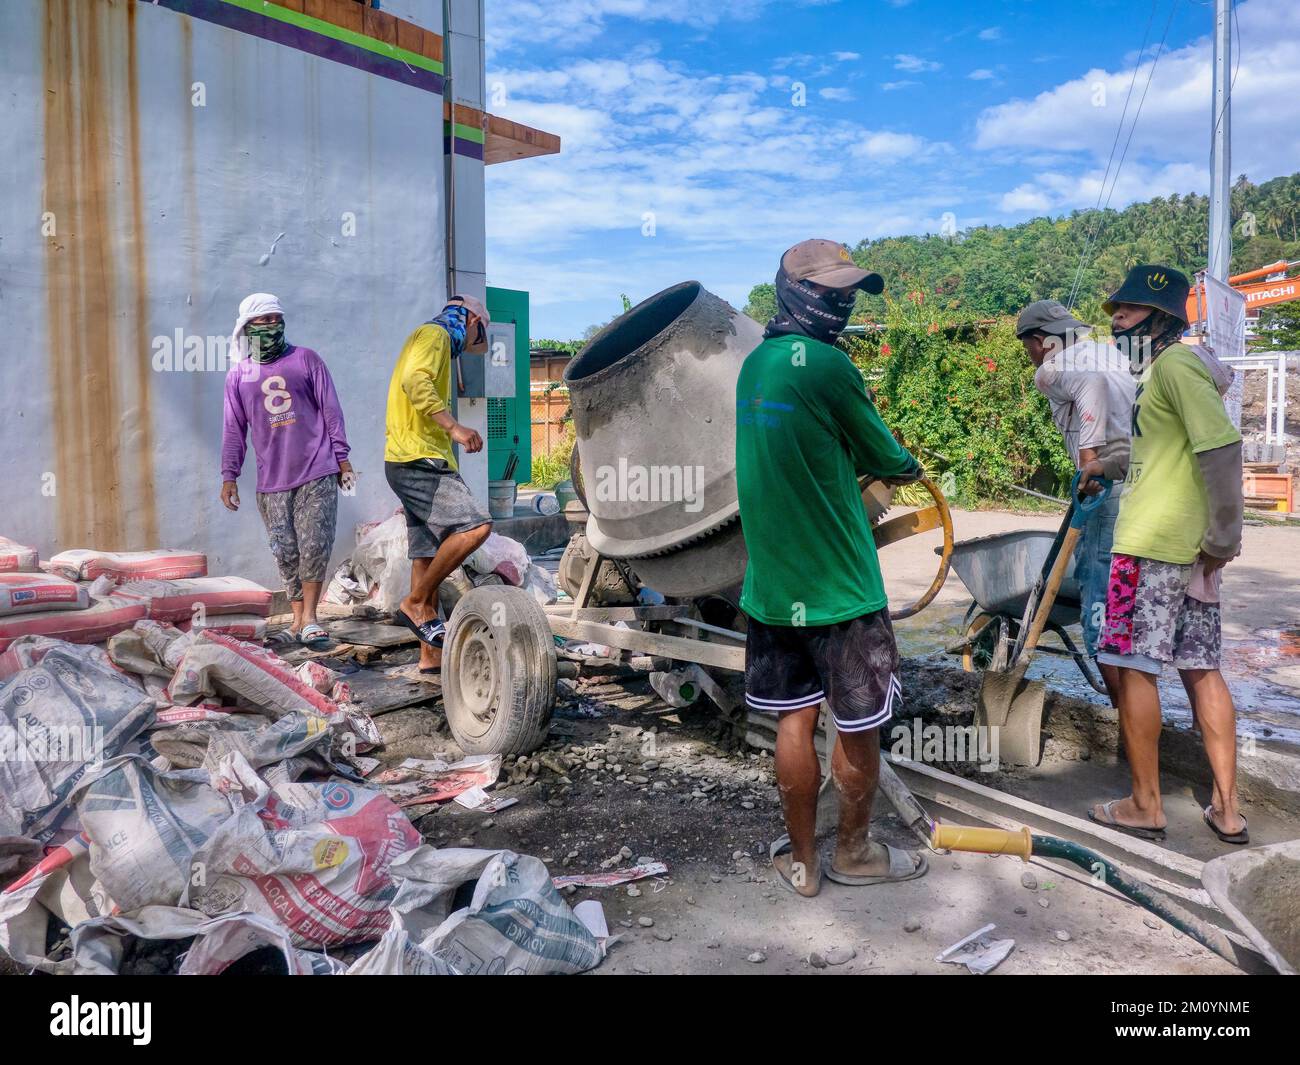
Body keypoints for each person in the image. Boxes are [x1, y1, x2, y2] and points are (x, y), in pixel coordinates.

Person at [736, 239, 929, 897]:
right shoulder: (827, 367)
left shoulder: (756, 366)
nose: (842, 302)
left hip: (772, 589)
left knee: (795, 720)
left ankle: (802, 862)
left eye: (849, 291)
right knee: (857, 722)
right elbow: (883, 451)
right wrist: (910, 465)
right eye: (833, 291)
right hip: (840, 590)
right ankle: (853, 849)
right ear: (797, 291)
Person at [1080, 265, 1247, 844]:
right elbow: (1163, 452)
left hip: (1150, 545)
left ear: (1161, 317)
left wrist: (1227, 536)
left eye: (1124, 313)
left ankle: (1145, 804)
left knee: (1132, 668)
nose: (1117, 323)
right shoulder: (1169, 374)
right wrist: (1103, 466)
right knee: (1201, 668)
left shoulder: (1174, 365)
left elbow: (1222, 447)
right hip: (1187, 550)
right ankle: (1226, 810)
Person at [1016, 299, 1134, 706]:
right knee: (1130, 596)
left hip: (1105, 486)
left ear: (1041, 342)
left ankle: (1124, 720)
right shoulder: (1111, 352)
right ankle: (1138, 710)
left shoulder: (1051, 368)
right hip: (1141, 482)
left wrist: (1088, 462)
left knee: (1099, 603)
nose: (1029, 355)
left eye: (1028, 346)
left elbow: (1092, 387)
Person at [221, 292, 354, 649]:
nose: (270, 326)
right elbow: (234, 429)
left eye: (275, 319)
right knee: (285, 551)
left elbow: (331, 411)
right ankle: (296, 621)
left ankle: (311, 618)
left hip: (317, 470)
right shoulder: (239, 376)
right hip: (271, 481)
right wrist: (228, 475)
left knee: (314, 545)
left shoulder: (306, 360)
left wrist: (342, 460)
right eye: (262, 321)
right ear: (247, 328)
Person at [384, 295, 493, 674]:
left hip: (402, 458)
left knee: (426, 556)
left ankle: (429, 657)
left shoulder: (426, 338)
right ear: (473, 319)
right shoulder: (436, 335)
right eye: (479, 333)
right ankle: (414, 602)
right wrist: (455, 428)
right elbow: (416, 382)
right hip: (420, 457)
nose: (474, 342)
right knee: (476, 526)